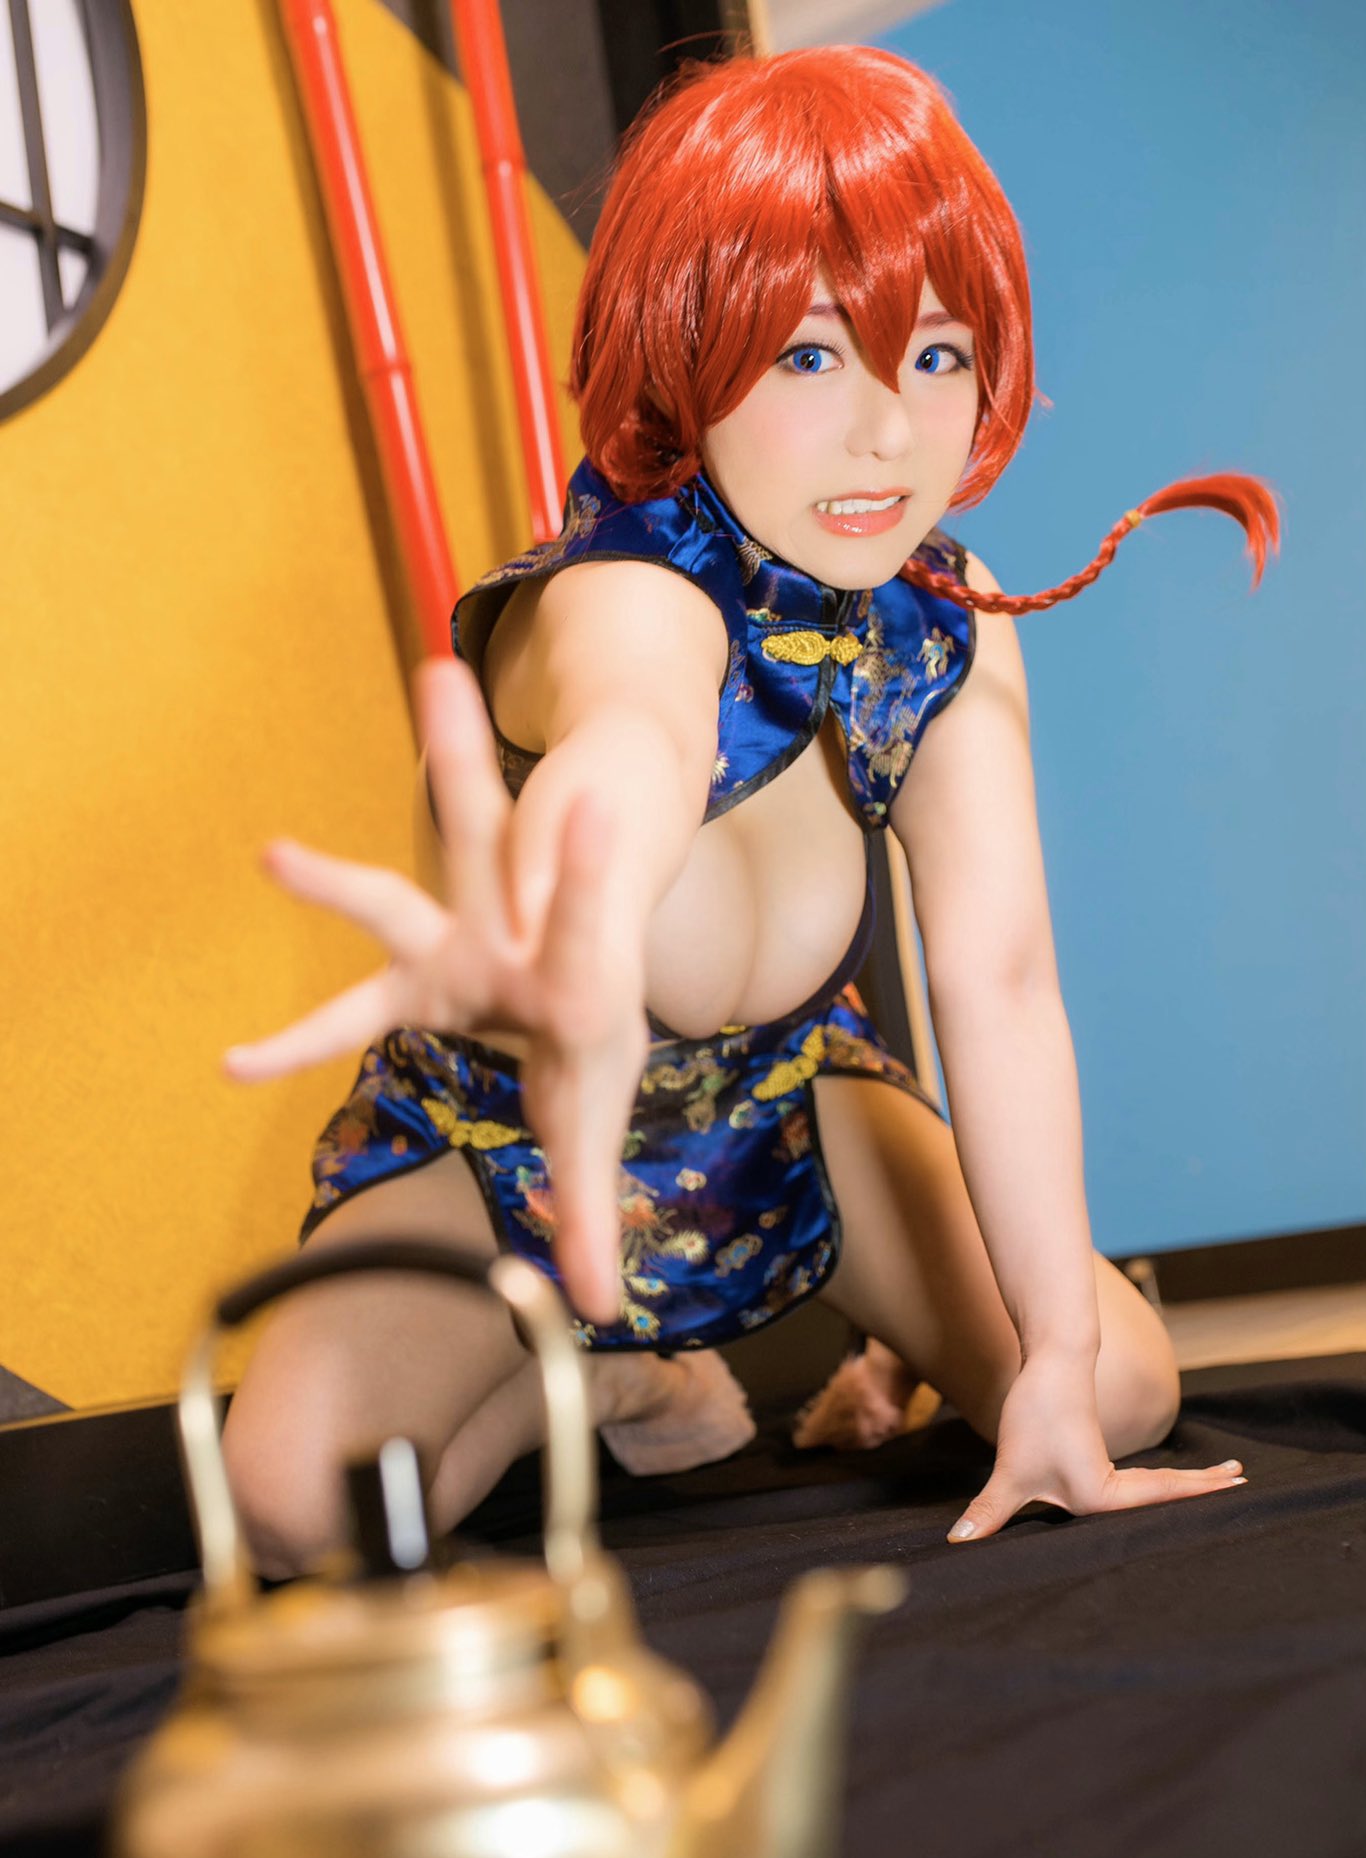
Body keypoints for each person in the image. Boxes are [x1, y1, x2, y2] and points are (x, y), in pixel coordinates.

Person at [221, 45, 1275, 1576]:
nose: (886, 432)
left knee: (1116, 1391)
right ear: (683, 355)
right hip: (513, 1143)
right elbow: (633, 746)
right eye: (806, 358)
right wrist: (582, 931)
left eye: (934, 355)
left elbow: (996, 982)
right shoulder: (627, 595)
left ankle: (899, 1341)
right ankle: (601, 1372)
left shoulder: (946, 619)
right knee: (297, 1513)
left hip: (785, 1115)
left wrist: (1048, 1351)